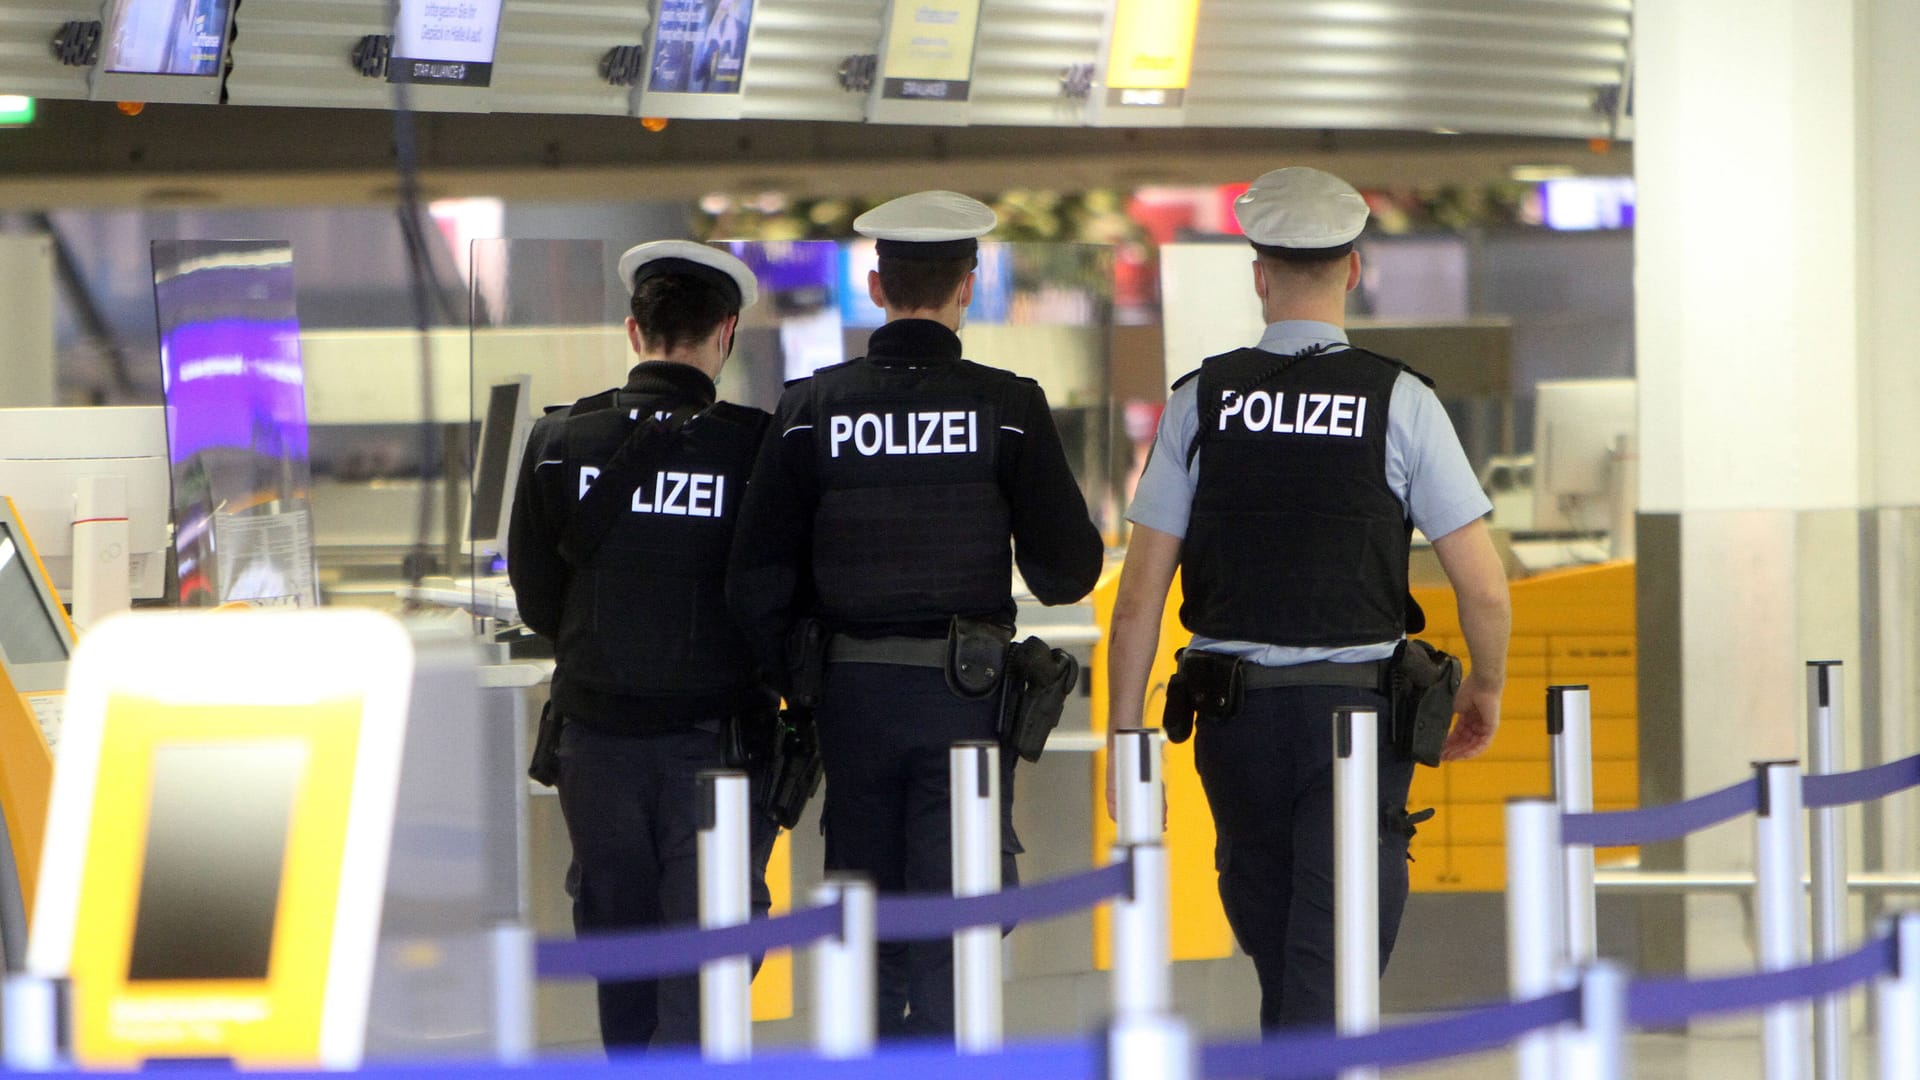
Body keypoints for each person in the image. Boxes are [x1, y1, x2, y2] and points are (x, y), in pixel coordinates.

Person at [1104, 167, 1510, 1031]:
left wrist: (1124, 742)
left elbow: (1138, 601)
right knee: (1332, 967)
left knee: (1281, 948)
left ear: (1259, 272)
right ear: (1354, 269)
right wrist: (1486, 686)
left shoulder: (1197, 403)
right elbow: (1482, 586)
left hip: (1235, 723)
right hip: (1359, 724)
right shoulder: (1400, 400)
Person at [727, 190, 1105, 1037]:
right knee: (957, 922)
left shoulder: (809, 410)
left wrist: (803, 685)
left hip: (851, 705)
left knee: (867, 926)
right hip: (965, 702)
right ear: (968, 285)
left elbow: (754, 579)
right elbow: (1067, 571)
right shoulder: (1006, 407)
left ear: (874, 283)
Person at [507, 240, 777, 1052]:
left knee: (620, 957)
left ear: (635, 331)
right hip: (717, 752)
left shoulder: (559, 443)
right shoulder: (757, 450)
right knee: (707, 969)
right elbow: (774, 599)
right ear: (725, 334)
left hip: (596, 747)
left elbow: (539, 600)